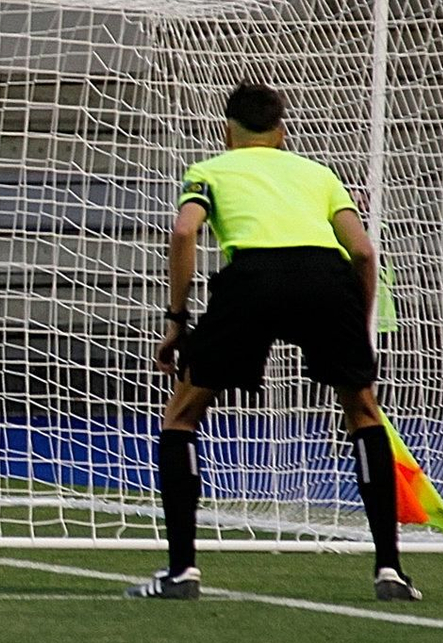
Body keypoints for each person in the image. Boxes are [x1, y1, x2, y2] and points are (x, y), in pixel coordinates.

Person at [128, 82, 420, 603]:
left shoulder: (209, 171)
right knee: (364, 413)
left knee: (182, 414)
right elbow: (365, 252)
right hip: (325, 277)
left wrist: (176, 319)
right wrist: (361, 318)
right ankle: (390, 571)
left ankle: (181, 572)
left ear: (227, 131)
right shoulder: (318, 174)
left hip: (254, 278)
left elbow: (183, 233)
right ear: (281, 132)